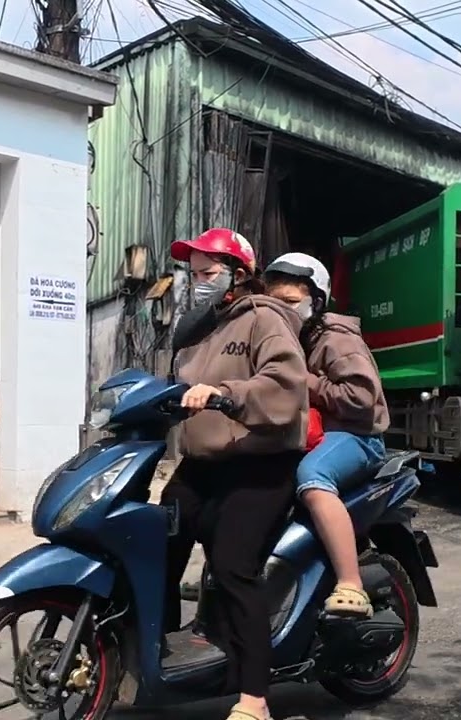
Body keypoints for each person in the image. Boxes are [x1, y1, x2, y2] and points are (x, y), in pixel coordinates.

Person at [161, 228, 308, 720]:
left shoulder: (266, 318)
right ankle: (156, 648)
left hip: (259, 464)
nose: (197, 281)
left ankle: (254, 698)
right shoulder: (200, 328)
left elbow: (284, 386)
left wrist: (226, 392)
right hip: (204, 464)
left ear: (238, 275)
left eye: (207, 273)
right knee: (155, 536)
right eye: (193, 273)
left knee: (232, 567)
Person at [263, 252, 390, 618]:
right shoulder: (282, 340)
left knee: (312, 477)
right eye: (274, 305)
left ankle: (351, 583)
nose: (282, 312)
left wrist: (306, 381)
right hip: (310, 434)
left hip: (356, 435)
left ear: (315, 302)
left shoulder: (336, 340)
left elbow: (362, 399)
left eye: (290, 302)